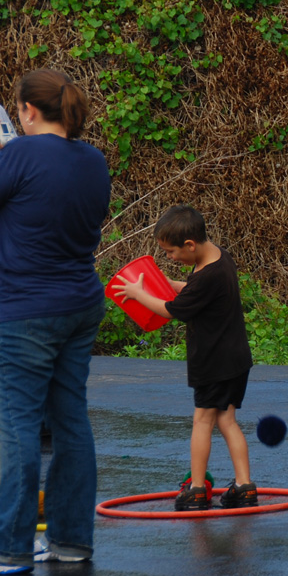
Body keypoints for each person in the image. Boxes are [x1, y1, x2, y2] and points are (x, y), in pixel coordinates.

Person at [0, 68, 110, 576]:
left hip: (24, 310)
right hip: (80, 302)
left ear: (27, 112)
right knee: (70, 423)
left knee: (16, 429)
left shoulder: (17, 154)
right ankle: (69, 541)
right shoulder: (93, 160)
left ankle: (8, 547)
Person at [112, 205, 258, 511]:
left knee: (202, 421)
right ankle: (244, 486)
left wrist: (139, 295)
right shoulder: (218, 258)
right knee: (227, 420)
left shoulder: (207, 277)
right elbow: (190, 291)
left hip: (213, 362)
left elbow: (170, 310)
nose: (171, 258)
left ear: (190, 245)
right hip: (235, 360)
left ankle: (196, 490)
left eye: (171, 252)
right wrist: (160, 284)